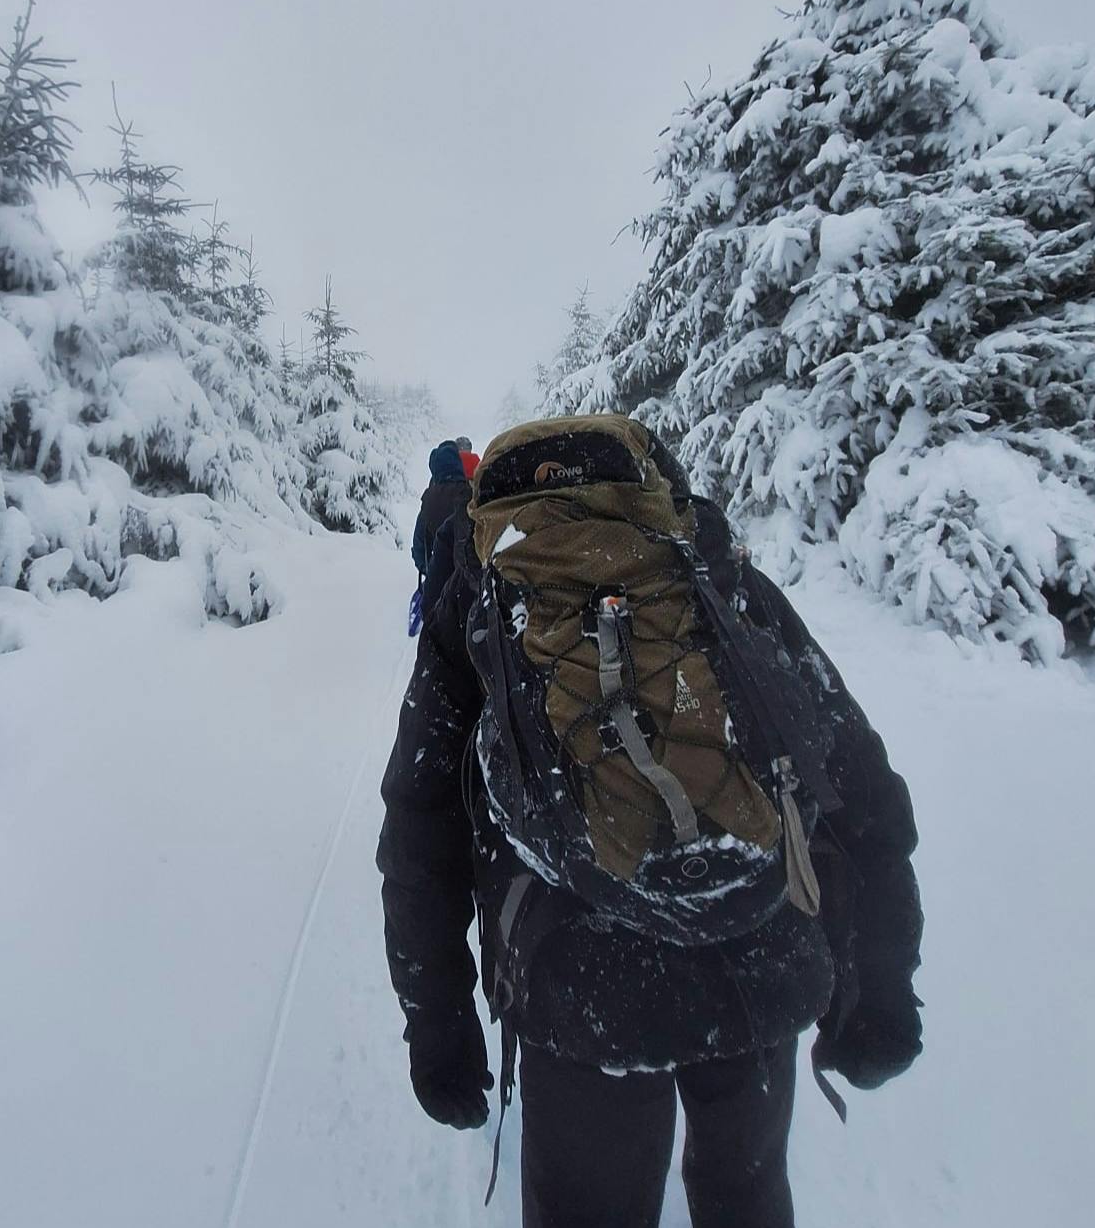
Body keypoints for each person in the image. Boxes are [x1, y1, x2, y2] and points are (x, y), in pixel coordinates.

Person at [378, 416, 923, 1228]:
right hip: (756, 947)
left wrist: (437, 1020)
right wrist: (880, 976)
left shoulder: (484, 588)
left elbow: (421, 818)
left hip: (578, 984)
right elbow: (848, 768)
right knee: (746, 1194)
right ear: (650, 479)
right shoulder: (702, 560)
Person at [411, 440, 471, 583]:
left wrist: (430, 570)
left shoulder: (429, 500)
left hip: (440, 578)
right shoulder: (470, 494)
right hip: (470, 578)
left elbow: (419, 546)